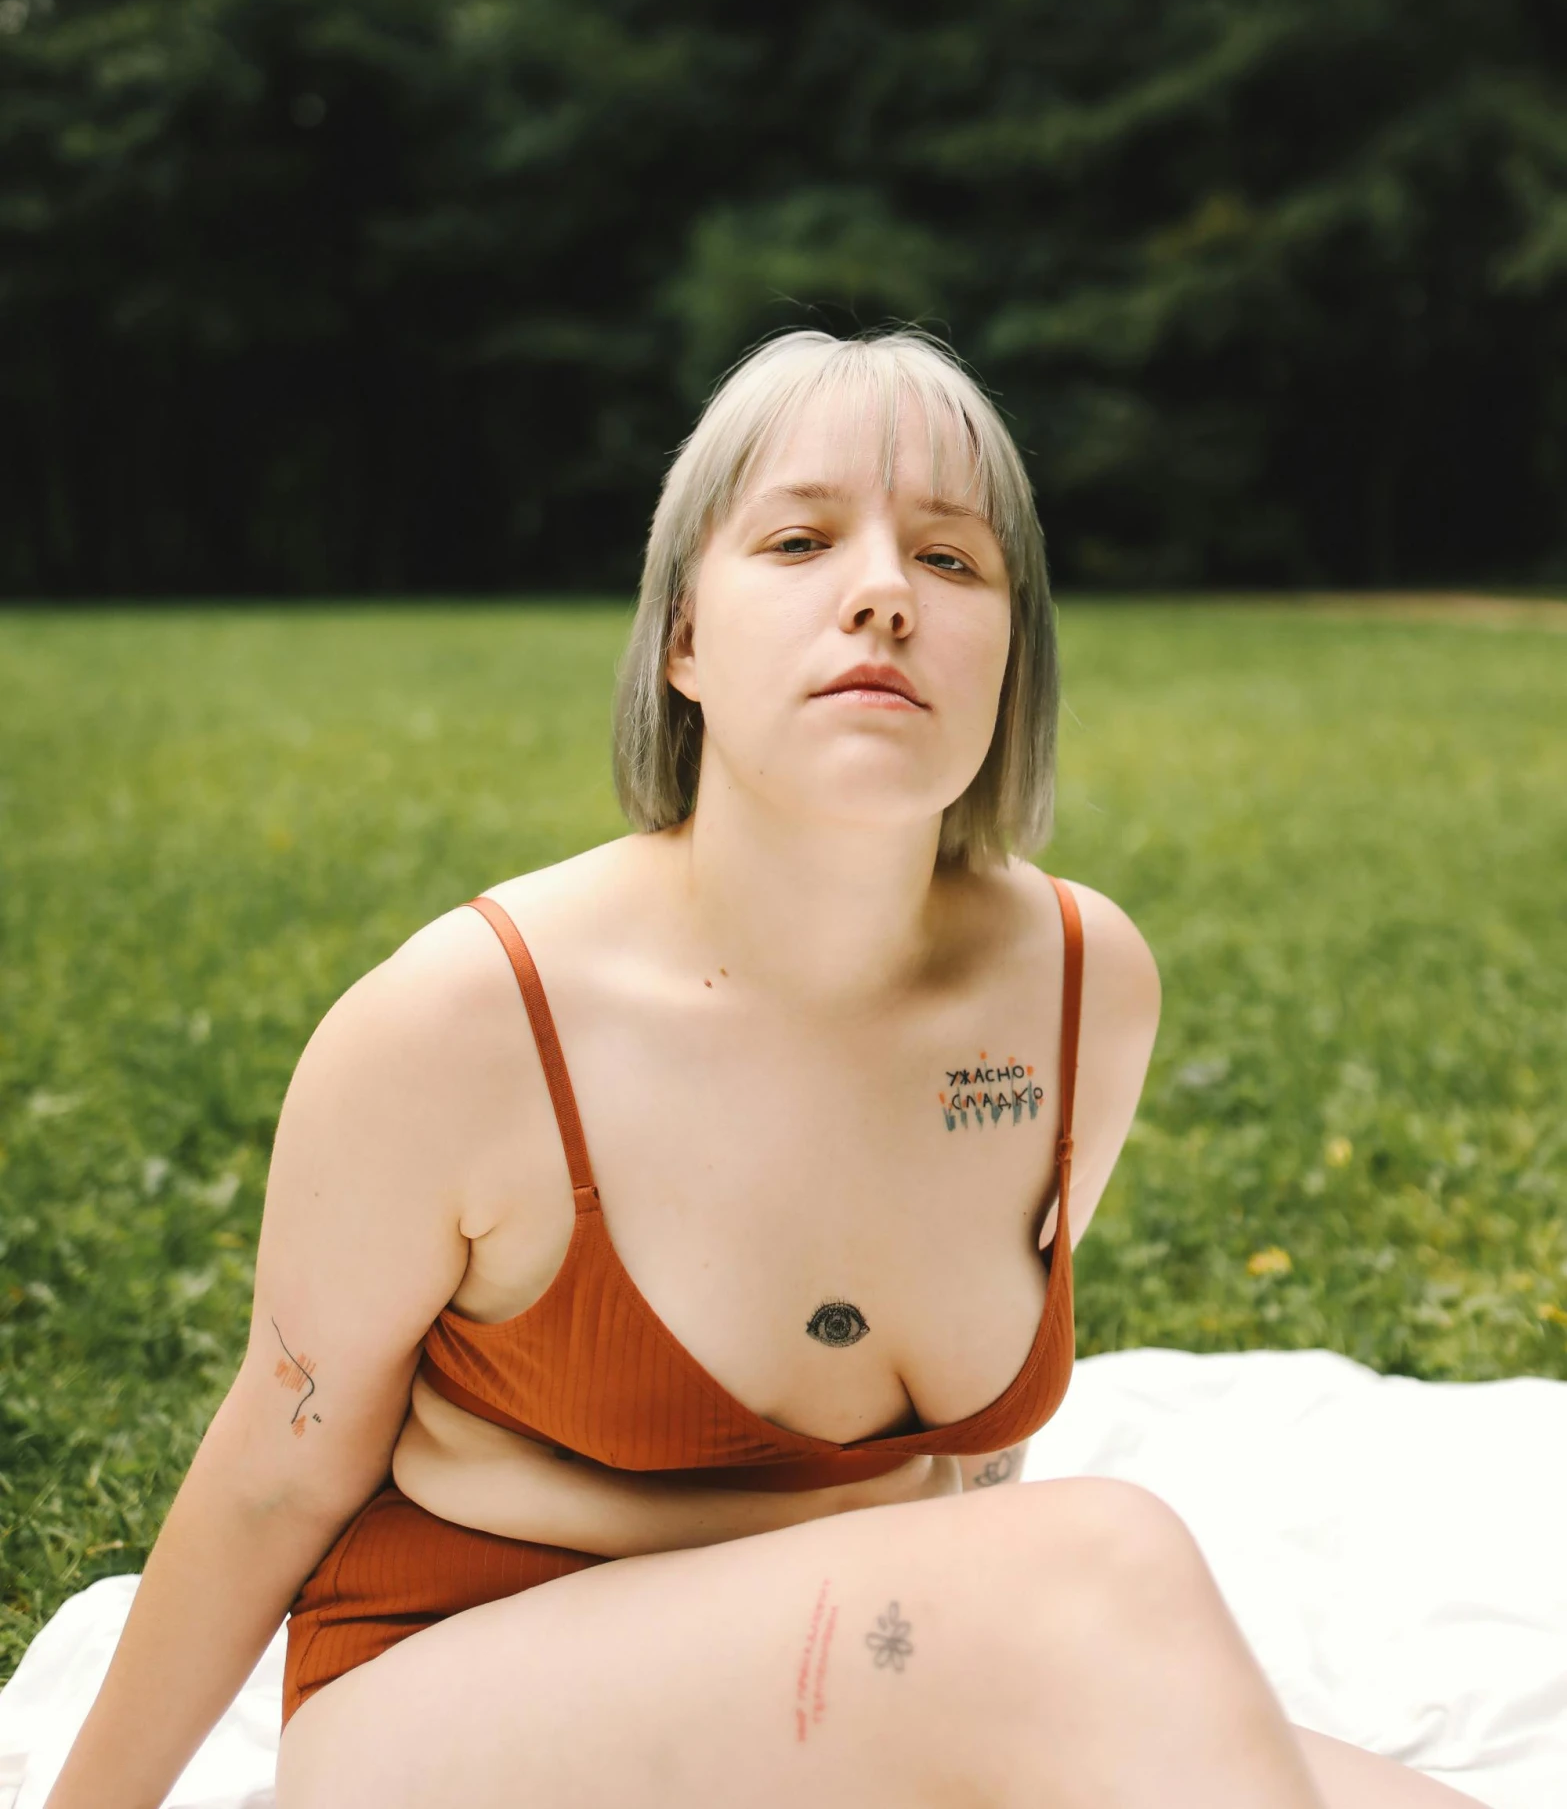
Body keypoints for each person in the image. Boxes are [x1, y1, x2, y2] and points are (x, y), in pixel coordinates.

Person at [45, 328, 1476, 1809]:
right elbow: (274, 1473)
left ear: (1011, 652)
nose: (881, 592)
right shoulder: (462, 1028)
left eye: (953, 559)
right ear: (679, 642)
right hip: (452, 1711)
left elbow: (970, 1493)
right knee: (1101, 1567)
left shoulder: (1074, 989)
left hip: (829, 1702)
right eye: (799, 539)